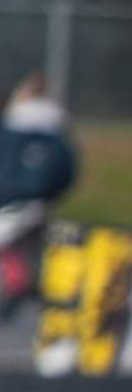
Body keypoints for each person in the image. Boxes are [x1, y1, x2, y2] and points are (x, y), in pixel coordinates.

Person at [0, 71, 78, 319]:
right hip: (42, 201)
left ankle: (18, 287)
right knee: (29, 248)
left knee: (11, 248)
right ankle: (38, 287)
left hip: (10, 198)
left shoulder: (10, 127)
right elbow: (67, 170)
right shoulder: (57, 131)